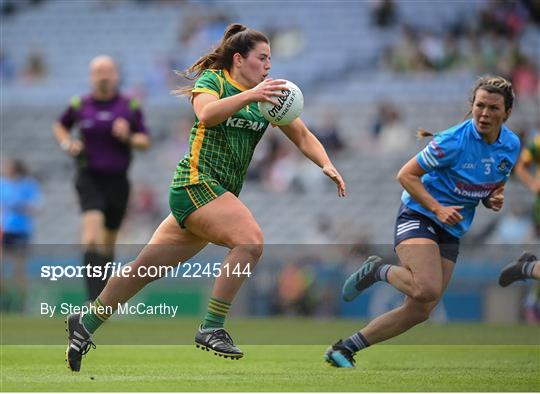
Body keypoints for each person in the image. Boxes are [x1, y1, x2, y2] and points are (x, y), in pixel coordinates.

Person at [64, 24, 346, 372]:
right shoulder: (214, 81)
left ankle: (85, 323)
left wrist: (326, 163)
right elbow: (206, 114)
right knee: (251, 242)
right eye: (262, 58)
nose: (268, 66)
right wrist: (250, 95)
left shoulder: (268, 96)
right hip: (195, 184)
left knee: (143, 270)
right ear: (239, 59)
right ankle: (212, 326)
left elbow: (302, 135)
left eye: (270, 59)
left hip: (214, 195)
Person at [324, 75, 520, 368]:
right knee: (426, 288)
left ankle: (346, 348)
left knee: (421, 310)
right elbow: (405, 175)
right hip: (419, 214)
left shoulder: (511, 145)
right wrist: (438, 208)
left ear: (507, 113)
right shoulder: (453, 141)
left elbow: (494, 183)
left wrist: (493, 198)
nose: (485, 113)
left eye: (493, 108)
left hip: (451, 227)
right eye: (480, 105)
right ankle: (377, 270)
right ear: (472, 106)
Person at [53, 55, 151, 302]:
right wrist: (68, 143)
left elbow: (144, 141)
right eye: (98, 71)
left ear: (116, 75)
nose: (103, 75)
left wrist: (128, 136)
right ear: (91, 76)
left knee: (108, 243)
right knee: (91, 237)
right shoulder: (79, 104)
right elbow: (60, 126)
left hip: (118, 181)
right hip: (89, 177)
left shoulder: (129, 106)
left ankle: (103, 297)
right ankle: (91, 300)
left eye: (108, 71)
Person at [0, 159, 41, 311]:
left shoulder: (28, 185)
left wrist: (18, 205)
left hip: (21, 231)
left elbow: (35, 207)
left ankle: (23, 304)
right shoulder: (2, 184)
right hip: (4, 230)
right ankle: (6, 301)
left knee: (18, 271)